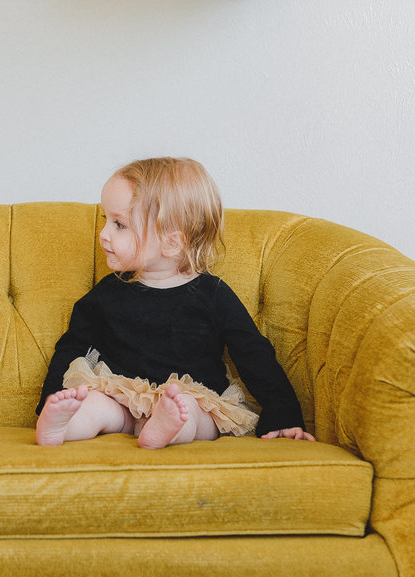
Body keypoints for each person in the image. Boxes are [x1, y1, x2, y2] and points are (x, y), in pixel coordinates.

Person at [35, 157, 315, 448]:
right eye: (105, 220)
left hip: (192, 397)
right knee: (94, 404)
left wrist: (283, 413)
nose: (103, 235)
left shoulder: (213, 295)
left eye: (119, 224)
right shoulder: (108, 293)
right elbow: (73, 347)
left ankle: (167, 428)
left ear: (171, 243)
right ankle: (59, 427)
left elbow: (253, 352)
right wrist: (53, 397)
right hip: (122, 399)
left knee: (192, 412)